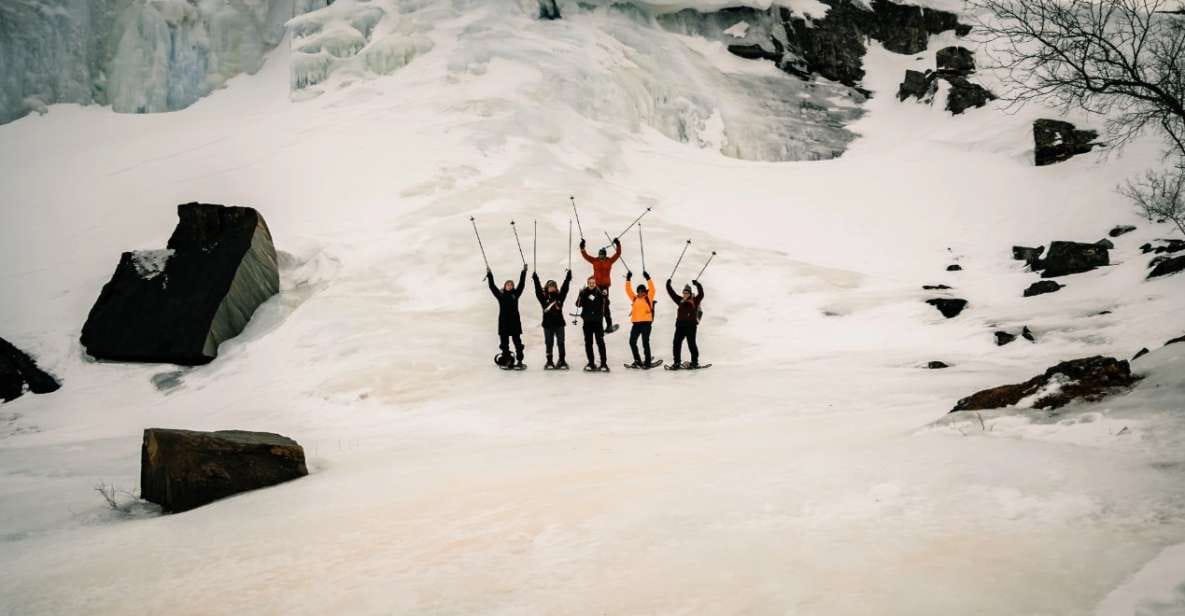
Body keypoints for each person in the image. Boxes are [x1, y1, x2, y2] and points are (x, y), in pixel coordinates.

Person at [487, 265, 528, 368]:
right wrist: (489, 274)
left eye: (511, 285)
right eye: (508, 285)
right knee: (504, 343)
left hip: (514, 322)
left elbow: (521, 284)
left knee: (517, 343)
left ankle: (519, 361)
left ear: (513, 286)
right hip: (504, 322)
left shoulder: (516, 294)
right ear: (504, 286)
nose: (509, 286)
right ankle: (507, 360)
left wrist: (524, 272)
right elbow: (492, 287)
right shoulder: (500, 295)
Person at [532, 269, 572, 369]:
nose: (552, 288)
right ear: (547, 287)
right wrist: (536, 279)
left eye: (553, 286)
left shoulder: (559, 297)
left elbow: (564, 289)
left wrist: (568, 278)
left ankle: (562, 360)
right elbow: (538, 290)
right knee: (549, 343)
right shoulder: (543, 298)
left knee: (561, 342)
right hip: (547, 324)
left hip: (559, 324)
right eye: (550, 286)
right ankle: (549, 361)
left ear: (555, 287)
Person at [580, 237, 621, 332]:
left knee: (605, 305)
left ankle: (609, 325)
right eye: (600, 255)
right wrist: (582, 248)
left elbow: (618, 254)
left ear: (605, 255)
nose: (601, 257)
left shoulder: (609, 261)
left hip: (605, 287)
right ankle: (597, 326)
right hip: (596, 286)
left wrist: (618, 244)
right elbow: (586, 256)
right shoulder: (595, 261)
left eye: (602, 255)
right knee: (596, 304)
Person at [665, 278, 704, 369]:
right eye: (684, 293)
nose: (685, 294)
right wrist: (668, 285)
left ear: (690, 294)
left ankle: (694, 362)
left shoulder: (695, 300)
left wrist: (697, 284)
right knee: (676, 343)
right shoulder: (680, 300)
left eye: (687, 293)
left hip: (691, 326)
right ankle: (677, 362)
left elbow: (701, 294)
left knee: (691, 344)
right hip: (680, 326)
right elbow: (672, 294)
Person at [575, 275, 609, 371]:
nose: (591, 284)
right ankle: (591, 363)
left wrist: (605, 295)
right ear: (588, 283)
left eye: (593, 283)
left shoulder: (599, 292)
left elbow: (605, 302)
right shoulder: (584, 293)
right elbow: (578, 304)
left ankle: (603, 364)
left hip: (597, 322)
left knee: (600, 342)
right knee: (588, 343)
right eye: (590, 283)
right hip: (587, 322)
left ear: (595, 283)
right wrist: (579, 294)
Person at [624, 270, 657, 368]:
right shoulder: (635, 298)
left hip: (646, 323)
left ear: (645, 291)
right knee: (632, 342)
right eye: (639, 291)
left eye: (642, 291)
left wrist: (648, 278)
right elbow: (628, 291)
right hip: (636, 324)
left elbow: (652, 289)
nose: (640, 293)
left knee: (645, 342)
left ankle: (647, 362)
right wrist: (628, 279)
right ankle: (637, 360)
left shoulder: (648, 298)